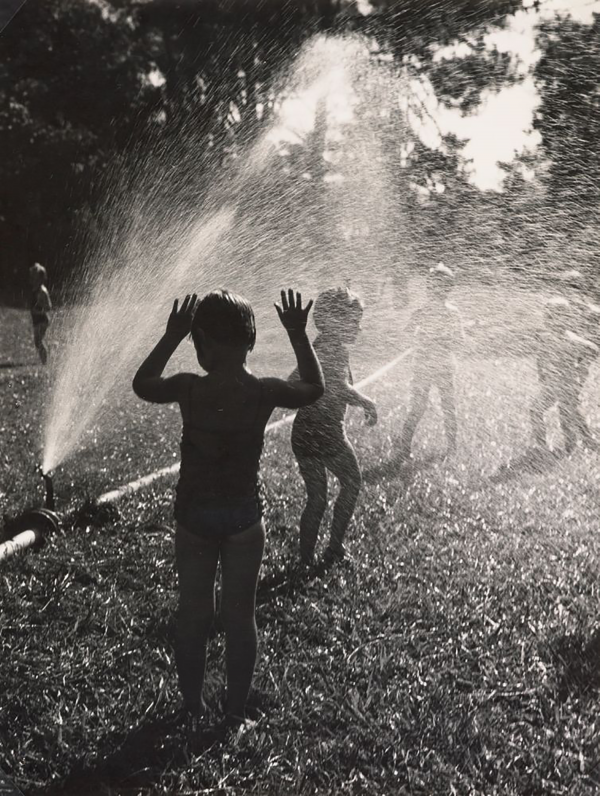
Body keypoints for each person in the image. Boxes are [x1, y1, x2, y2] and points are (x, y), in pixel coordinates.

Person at [132, 289, 324, 738]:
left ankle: (193, 705)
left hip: (194, 518)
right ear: (252, 340)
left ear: (200, 342)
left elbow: (142, 385)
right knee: (241, 616)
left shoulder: (188, 387)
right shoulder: (263, 392)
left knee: (193, 613)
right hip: (242, 518)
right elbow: (314, 389)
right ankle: (235, 713)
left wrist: (169, 337)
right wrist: (298, 335)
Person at [291, 287, 377, 566]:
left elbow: (294, 377)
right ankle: (334, 547)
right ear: (333, 321)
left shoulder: (316, 345)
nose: (359, 328)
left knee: (316, 499)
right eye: (354, 321)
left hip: (304, 433)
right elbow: (339, 388)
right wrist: (366, 402)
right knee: (352, 482)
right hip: (327, 434)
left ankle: (305, 560)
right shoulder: (335, 349)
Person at [398, 262, 465, 461]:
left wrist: (443, 340)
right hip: (423, 366)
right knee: (418, 407)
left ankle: (452, 447)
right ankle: (404, 446)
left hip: (444, 366)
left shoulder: (453, 313)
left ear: (449, 289)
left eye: (443, 286)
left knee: (449, 407)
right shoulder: (421, 312)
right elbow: (406, 334)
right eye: (433, 286)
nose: (437, 290)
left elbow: (459, 341)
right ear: (429, 288)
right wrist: (417, 338)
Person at [531, 296, 599, 453]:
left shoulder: (571, 339)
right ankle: (544, 445)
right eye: (546, 316)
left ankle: (571, 446)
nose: (547, 320)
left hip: (568, 382)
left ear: (566, 318)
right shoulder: (546, 337)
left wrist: (582, 367)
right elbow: (541, 356)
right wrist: (541, 373)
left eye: (552, 316)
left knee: (565, 413)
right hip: (553, 382)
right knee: (559, 411)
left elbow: (593, 349)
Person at [29, 263, 52, 364]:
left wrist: (38, 311)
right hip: (37, 320)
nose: (32, 279)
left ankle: (45, 362)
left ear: (41, 279)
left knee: (38, 341)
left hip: (42, 320)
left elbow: (49, 307)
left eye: (34, 277)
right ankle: (44, 360)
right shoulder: (35, 290)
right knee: (37, 342)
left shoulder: (43, 291)